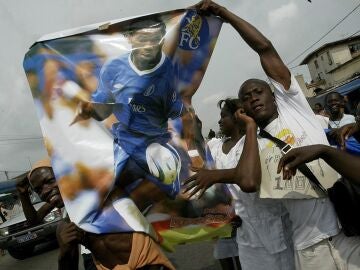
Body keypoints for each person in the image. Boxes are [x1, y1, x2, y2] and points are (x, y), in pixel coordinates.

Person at [186, 1, 360, 269]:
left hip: (347, 228)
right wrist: (252, 129)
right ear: (243, 110)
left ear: (275, 94)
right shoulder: (251, 142)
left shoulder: (294, 107)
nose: (254, 98)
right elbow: (247, 180)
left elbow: (264, 47)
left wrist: (225, 14)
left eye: (259, 91)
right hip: (308, 246)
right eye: (247, 98)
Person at [74, 17, 186, 199]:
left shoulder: (170, 73)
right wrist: (90, 109)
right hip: (124, 140)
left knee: (174, 194)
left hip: (156, 142)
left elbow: (177, 115)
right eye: (143, 39)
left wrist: (180, 142)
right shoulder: (113, 68)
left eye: (154, 40)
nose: (149, 45)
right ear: (130, 38)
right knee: (102, 193)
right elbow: (104, 110)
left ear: (163, 40)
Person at [208, 98, 294, 270]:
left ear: (237, 117)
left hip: (271, 224)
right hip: (244, 230)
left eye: (224, 116)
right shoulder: (215, 147)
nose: (219, 121)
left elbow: (250, 180)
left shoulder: (258, 143)